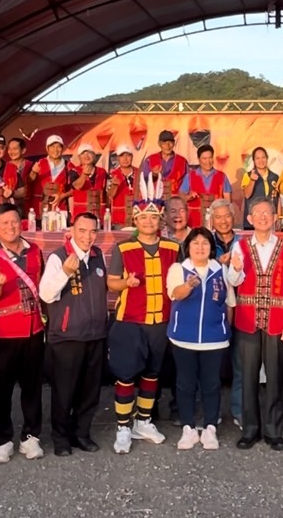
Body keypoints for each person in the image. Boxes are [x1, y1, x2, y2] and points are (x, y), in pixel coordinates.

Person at [105, 183, 181, 454]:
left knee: (152, 374)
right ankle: (123, 426)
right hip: (130, 321)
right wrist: (126, 283)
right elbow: (112, 283)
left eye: (153, 217)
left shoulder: (174, 246)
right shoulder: (123, 248)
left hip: (161, 321)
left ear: (161, 219)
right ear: (135, 220)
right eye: (143, 217)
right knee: (126, 375)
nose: (149, 221)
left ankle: (144, 421)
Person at [224, 197, 283, 451]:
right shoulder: (241, 246)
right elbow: (234, 281)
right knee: (247, 377)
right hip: (248, 320)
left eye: (267, 213)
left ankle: (273, 431)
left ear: (274, 217)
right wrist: (234, 269)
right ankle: (250, 429)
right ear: (249, 219)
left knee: (275, 378)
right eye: (257, 213)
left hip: (277, 322)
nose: (263, 217)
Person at [0, 203, 46, 465]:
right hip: (2, 333)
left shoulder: (35, 251)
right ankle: (3, 440)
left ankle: (31, 436)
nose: (10, 227)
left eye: (15, 222)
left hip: (33, 330)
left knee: (32, 388)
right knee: (1, 390)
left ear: (22, 223)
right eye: (4, 223)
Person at [38, 212, 109, 457]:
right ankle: (60, 438)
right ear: (72, 230)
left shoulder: (98, 256)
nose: (87, 236)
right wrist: (66, 273)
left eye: (92, 231)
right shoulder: (59, 257)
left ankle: (81, 434)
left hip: (95, 334)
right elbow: (46, 295)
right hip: (67, 336)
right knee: (64, 391)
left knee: (90, 391)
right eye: (82, 230)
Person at [167, 227, 236, 450]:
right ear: (188, 247)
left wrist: (226, 328)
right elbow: (174, 293)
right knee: (185, 383)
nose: (200, 247)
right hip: (183, 337)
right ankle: (188, 427)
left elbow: (230, 303)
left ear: (211, 248)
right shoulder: (179, 268)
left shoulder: (221, 270)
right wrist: (188, 286)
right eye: (195, 243)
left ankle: (210, 428)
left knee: (212, 383)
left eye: (205, 243)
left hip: (214, 338)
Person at [208, 199, 242, 427]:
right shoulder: (205, 242)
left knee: (242, 364)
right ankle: (212, 413)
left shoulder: (244, 243)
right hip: (214, 309)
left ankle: (240, 412)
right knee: (212, 367)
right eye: (218, 217)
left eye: (226, 216)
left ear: (234, 218)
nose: (223, 221)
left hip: (243, 308)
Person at [181, 144, 232, 229]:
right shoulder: (189, 176)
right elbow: (181, 198)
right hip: (194, 223)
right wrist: (189, 196)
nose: (208, 161)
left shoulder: (222, 176)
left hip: (217, 223)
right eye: (204, 158)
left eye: (210, 157)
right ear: (199, 160)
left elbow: (228, 201)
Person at [33, 134, 71, 227]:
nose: (55, 150)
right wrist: (33, 172)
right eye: (53, 146)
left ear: (62, 148)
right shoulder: (39, 163)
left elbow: (74, 189)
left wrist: (62, 196)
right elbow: (28, 181)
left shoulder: (69, 166)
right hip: (40, 209)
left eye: (58, 146)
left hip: (60, 210)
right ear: (47, 148)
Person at [142, 130, 190, 199]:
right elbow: (143, 181)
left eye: (170, 142)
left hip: (176, 201)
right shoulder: (150, 160)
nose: (168, 145)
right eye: (164, 142)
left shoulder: (182, 161)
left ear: (174, 143)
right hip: (155, 201)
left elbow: (189, 181)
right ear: (159, 144)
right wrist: (153, 175)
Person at [240, 146, 279, 229]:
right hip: (252, 222)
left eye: (263, 157)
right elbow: (247, 195)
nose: (261, 161)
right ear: (254, 161)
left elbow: (277, 200)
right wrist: (252, 180)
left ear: (267, 158)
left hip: (270, 221)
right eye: (257, 158)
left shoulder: (275, 177)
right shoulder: (247, 176)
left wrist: (278, 219)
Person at [68, 145, 108, 222]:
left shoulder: (102, 172)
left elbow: (107, 194)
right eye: (83, 153)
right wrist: (84, 175)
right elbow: (76, 186)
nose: (86, 156)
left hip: (99, 216)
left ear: (94, 156)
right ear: (79, 157)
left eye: (89, 153)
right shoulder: (74, 171)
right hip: (80, 216)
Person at [4, 137, 34, 226]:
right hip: (11, 207)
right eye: (9, 149)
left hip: (30, 206)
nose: (11, 152)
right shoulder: (5, 167)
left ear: (23, 150)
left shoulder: (31, 165)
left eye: (15, 149)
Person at [107, 145, 139, 230]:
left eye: (128, 155)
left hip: (137, 219)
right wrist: (114, 185)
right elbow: (109, 196)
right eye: (122, 156)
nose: (125, 159)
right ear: (118, 158)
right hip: (119, 221)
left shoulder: (140, 173)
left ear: (132, 157)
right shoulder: (112, 175)